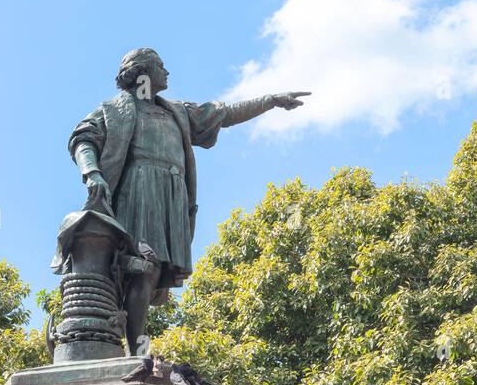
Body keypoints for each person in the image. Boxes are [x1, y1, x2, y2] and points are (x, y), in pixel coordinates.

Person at [59, 47, 309, 352]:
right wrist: (92, 173)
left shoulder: (176, 111)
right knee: (142, 266)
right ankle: (137, 349)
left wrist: (270, 101)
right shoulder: (114, 109)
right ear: (143, 73)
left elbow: (225, 114)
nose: (167, 72)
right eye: (160, 66)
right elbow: (83, 138)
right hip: (139, 190)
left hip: (172, 195)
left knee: (153, 273)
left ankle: (136, 346)